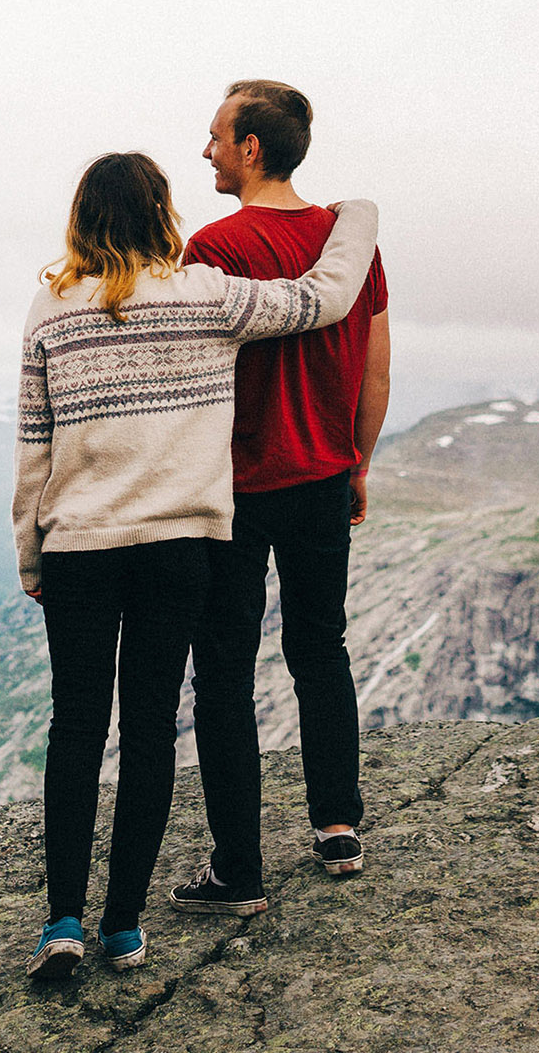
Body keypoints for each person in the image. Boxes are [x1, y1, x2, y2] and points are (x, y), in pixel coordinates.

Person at [13, 151, 377, 980]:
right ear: (160, 213)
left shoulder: (51, 307)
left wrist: (31, 550)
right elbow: (325, 298)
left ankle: (62, 921)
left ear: (83, 218)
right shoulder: (206, 294)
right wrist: (359, 213)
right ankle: (125, 926)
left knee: (76, 726)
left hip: (79, 546)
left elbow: (34, 444)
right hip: (181, 547)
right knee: (148, 730)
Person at [169, 80, 390, 921]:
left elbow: (189, 377)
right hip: (323, 478)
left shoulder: (215, 246)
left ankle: (240, 870)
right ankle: (337, 824)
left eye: (217, 136)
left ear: (251, 146)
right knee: (319, 646)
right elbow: (376, 361)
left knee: (223, 672)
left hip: (235, 488)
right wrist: (357, 461)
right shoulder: (347, 243)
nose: (208, 151)